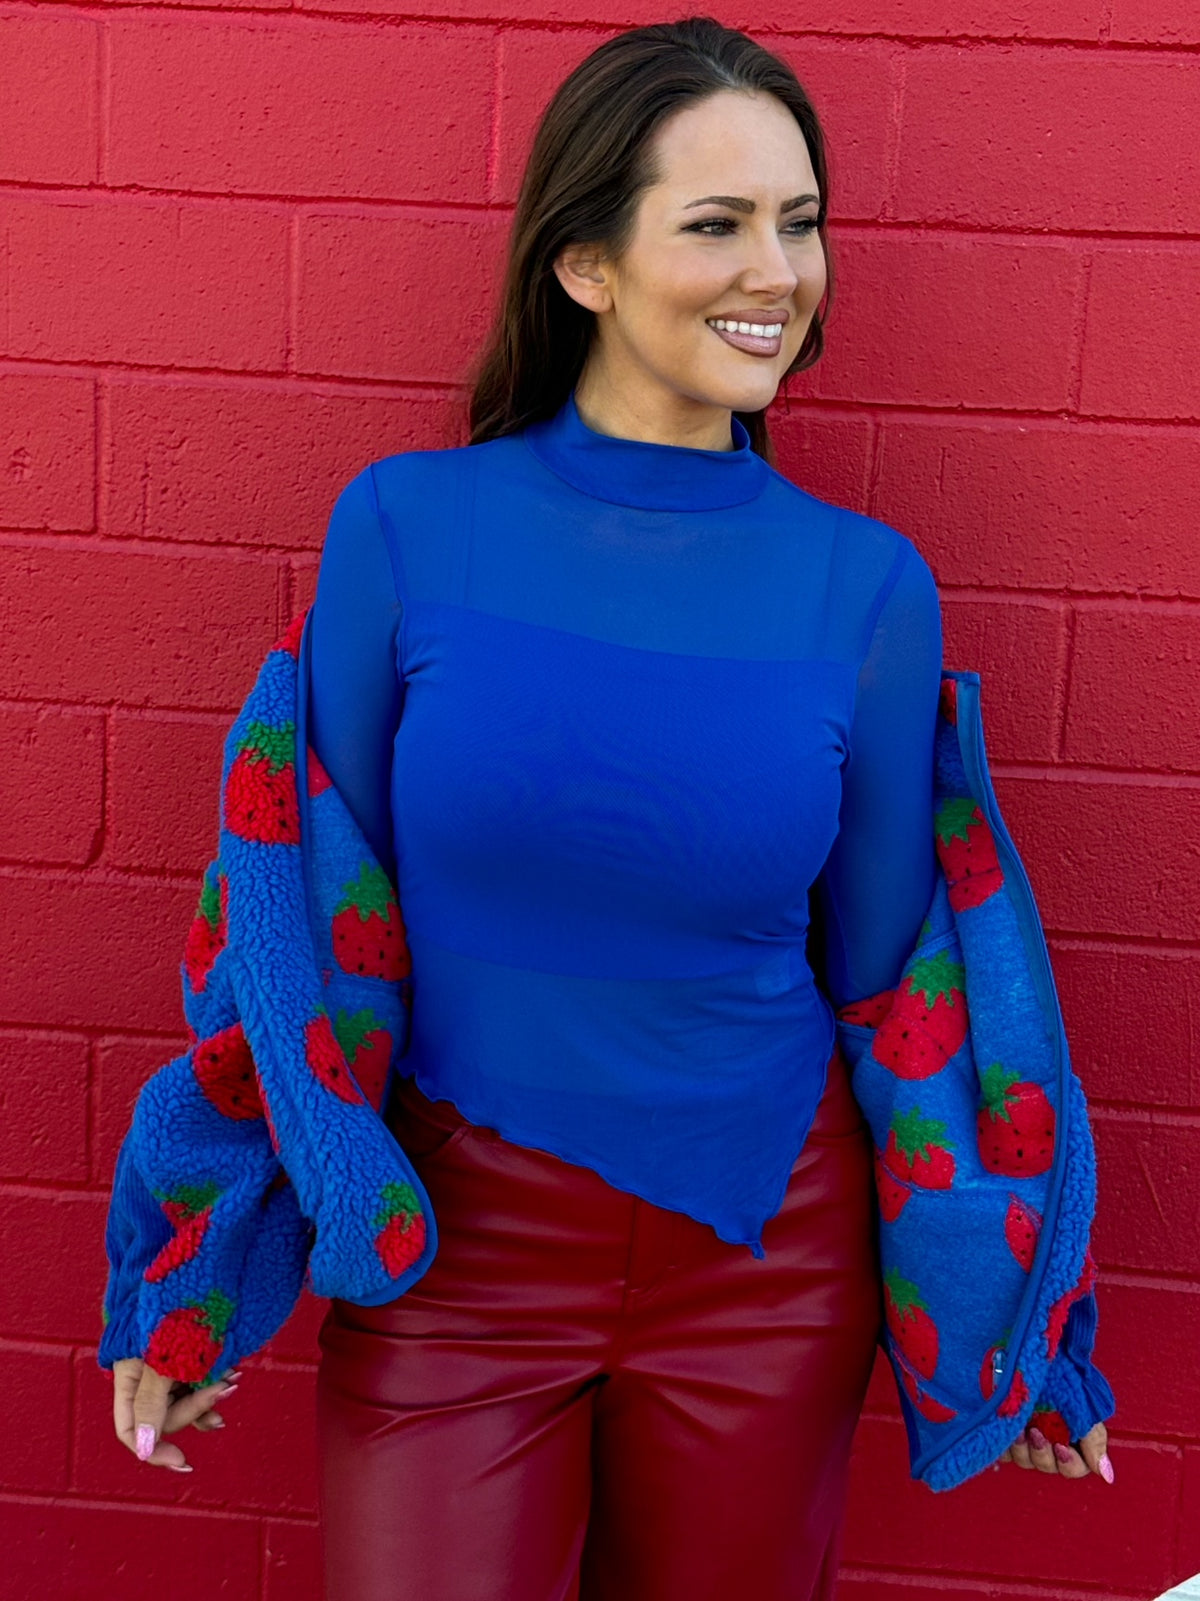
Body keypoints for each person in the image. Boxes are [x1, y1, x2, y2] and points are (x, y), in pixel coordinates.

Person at [108, 15, 1112, 1597]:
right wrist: (194, 1271)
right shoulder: (405, 528)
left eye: (799, 221)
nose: (776, 271)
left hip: (764, 1268)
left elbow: (899, 991)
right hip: (454, 1260)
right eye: (717, 223)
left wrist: (1022, 1315)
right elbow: (285, 919)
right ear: (583, 262)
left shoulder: (865, 585)